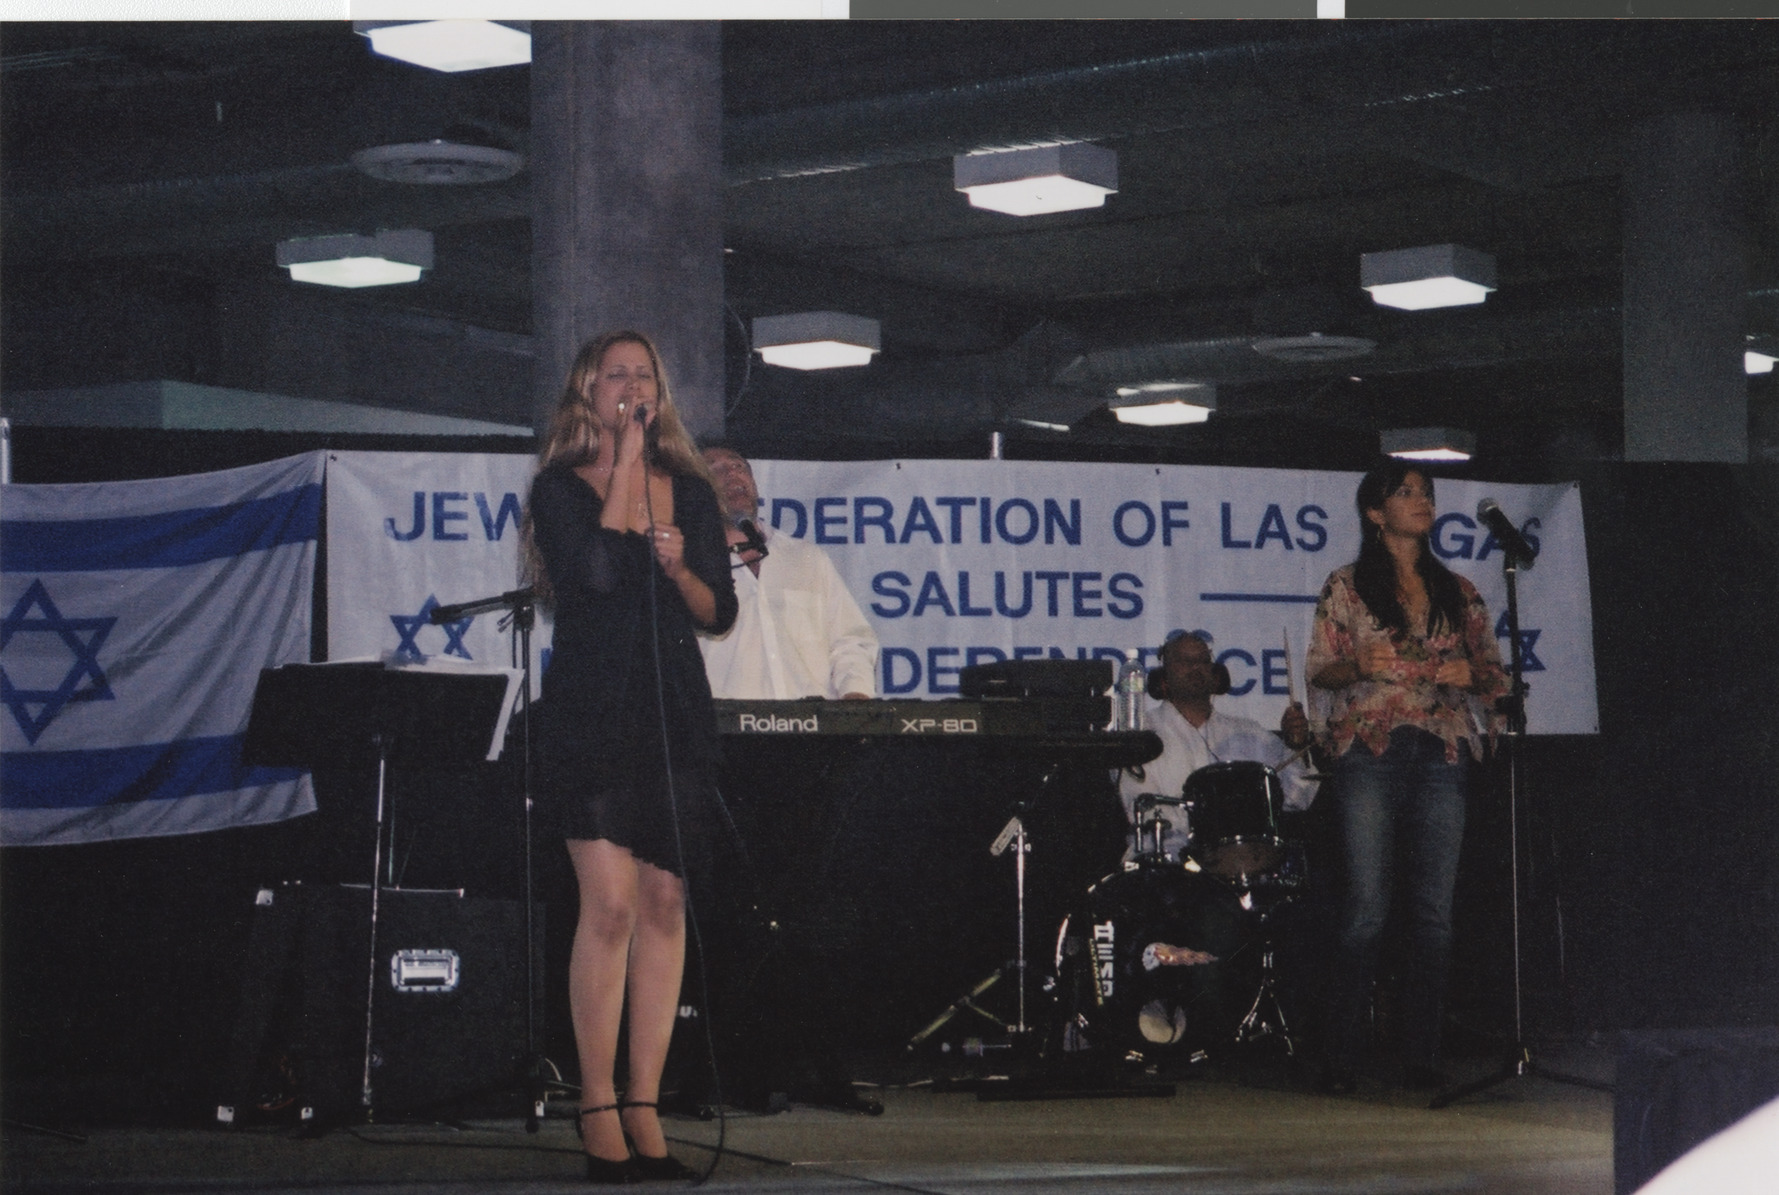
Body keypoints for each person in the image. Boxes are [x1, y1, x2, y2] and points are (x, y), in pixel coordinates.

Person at [522, 331, 737, 1183]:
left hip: (669, 709)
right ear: (587, 389)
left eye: (644, 374)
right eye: (616, 374)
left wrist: (683, 565)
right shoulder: (559, 488)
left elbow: (716, 611)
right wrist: (622, 463)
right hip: (589, 714)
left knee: (665, 899)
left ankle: (646, 1104)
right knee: (606, 907)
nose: (631, 385)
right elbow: (599, 574)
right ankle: (597, 1102)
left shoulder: (688, 489)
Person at [1306, 461, 1508, 1095]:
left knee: (1434, 915)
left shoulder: (1459, 590)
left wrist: (1470, 677)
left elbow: (1497, 677)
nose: (1421, 501)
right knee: (1367, 908)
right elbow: (1320, 671)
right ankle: (1341, 1053)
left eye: (1426, 492)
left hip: (1441, 753)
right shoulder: (1346, 585)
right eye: (1406, 493)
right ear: (1375, 513)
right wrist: (1356, 663)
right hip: (1371, 750)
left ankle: (1421, 1051)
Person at [1118, 629, 1316, 865]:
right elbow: (1140, 807)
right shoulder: (1142, 736)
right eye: (1185, 661)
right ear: (1164, 676)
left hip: (1238, 866)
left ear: (1216, 675)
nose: (1195, 668)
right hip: (1165, 862)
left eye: (1203, 661)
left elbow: (1298, 798)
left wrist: (1296, 745)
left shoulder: (1249, 734)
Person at [697, 444, 879, 701]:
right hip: (727, 731)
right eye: (715, 469)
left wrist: (855, 705)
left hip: (811, 732)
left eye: (739, 466)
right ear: (695, 490)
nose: (732, 474)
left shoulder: (806, 557)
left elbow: (851, 641)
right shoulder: (690, 568)